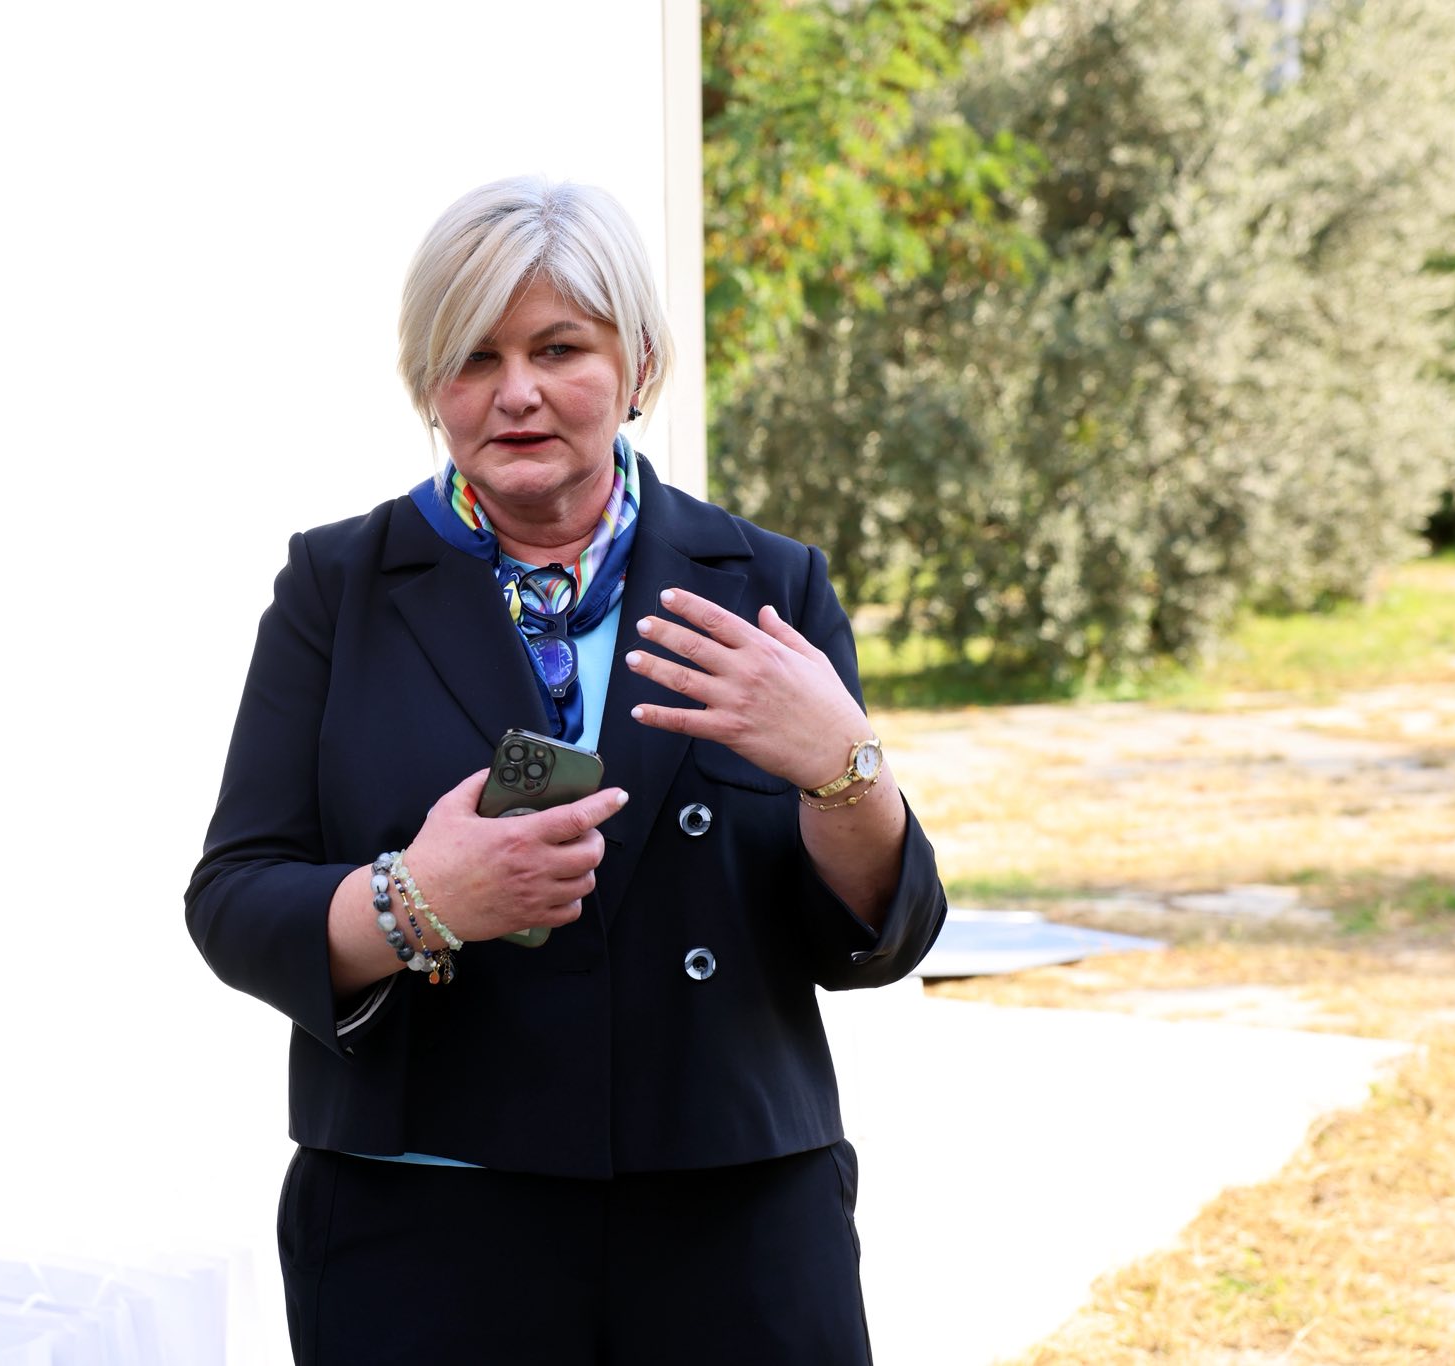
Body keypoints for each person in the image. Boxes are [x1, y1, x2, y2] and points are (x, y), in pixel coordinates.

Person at [185, 176, 946, 1365]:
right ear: (427, 384)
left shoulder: (767, 584)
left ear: (638, 364)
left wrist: (841, 768)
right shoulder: (336, 589)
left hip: (733, 1218)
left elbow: (875, 938)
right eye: (471, 357)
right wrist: (417, 900)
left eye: (557, 348)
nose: (515, 391)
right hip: (421, 1224)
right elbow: (234, 899)